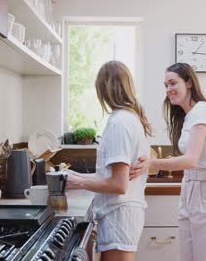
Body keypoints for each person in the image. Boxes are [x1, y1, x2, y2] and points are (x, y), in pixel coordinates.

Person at [130, 62, 206, 261]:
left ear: (189, 82)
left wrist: (151, 163)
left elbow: (190, 160)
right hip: (189, 189)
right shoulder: (189, 116)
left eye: (173, 83)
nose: (168, 90)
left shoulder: (204, 110)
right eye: (165, 85)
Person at [67, 61, 151, 261]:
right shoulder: (129, 119)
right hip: (122, 214)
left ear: (103, 90)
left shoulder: (120, 123)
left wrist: (78, 182)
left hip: (120, 216)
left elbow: (118, 184)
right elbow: (111, 176)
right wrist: (75, 176)